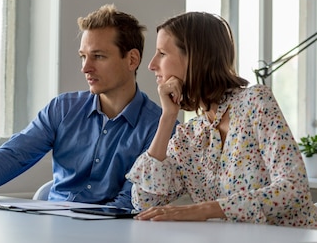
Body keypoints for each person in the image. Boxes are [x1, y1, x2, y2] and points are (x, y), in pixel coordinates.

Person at [0, 4, 166, 209]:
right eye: (83, 56)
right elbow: (15, 153)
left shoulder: (160, 129)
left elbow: (129, 203)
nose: (85, 68)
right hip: (50, 226)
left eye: (99, 56)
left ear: (132, 60)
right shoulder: (62, 108)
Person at [126, 11, 317, 227]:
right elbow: (144, 202)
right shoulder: (189, 135)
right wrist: (168, 117)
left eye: (162, 53)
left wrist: (205, 210)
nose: (151, 64)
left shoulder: (254, 102)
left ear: (195, 58)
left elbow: (294, 189)